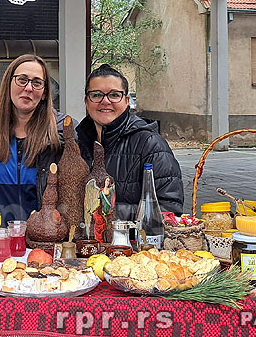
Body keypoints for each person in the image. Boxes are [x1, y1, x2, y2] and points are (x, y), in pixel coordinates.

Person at [0, 54, 67, 224]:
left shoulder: (62, 132)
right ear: (9, 84)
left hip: (46, 234)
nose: (28, 88)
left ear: (44, 93)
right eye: (22, 80)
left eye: (37, 83)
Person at [75, 64, 183, 220]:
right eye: (96, 95)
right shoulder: (77, 144)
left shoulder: (150, 144)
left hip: (133, 236)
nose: (105, 101)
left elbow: (169, 210)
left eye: (114, 95)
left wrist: (106, 211)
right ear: (86, 101)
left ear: (126, 101)